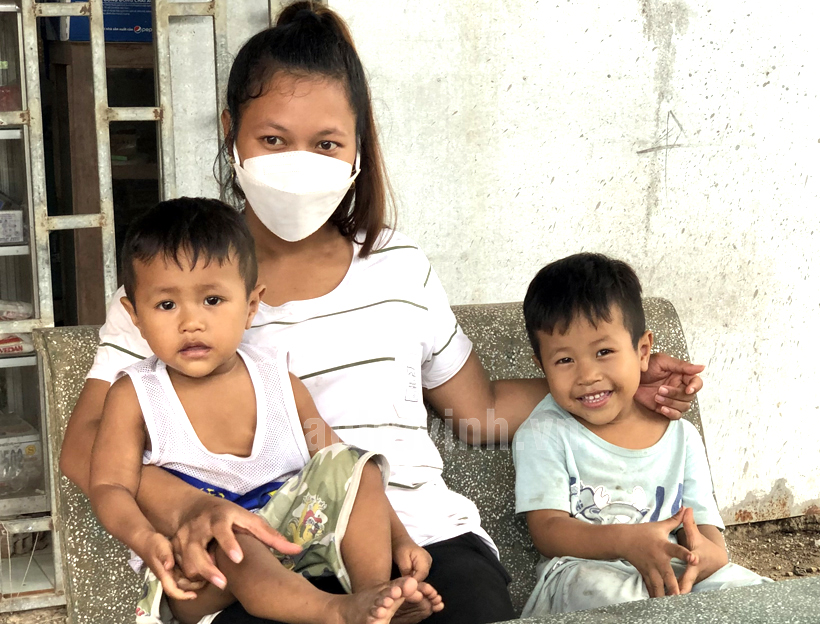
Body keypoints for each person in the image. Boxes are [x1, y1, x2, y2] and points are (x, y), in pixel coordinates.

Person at [60, 3, 704, 623]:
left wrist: (609, 380)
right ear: (232, 131)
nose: (298, 164)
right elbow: (87, 445)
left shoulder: (398, 265)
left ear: (358, 147)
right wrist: (188, 507)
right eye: (273, 140)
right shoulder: (174, 286)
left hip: (423, 540)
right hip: (257, 550)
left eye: (326, 144)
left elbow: (477, 409)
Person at [90, 197, 440, 624]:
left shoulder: (278, 381)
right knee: (232, 535)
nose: (191, 322)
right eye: (167, 305)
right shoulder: (135, 394)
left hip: (292, 543)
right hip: (201, 568)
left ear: (251, 306)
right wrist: (145, 539)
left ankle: (373, 594)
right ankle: (337, 613)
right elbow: (109, 486)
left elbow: (348, 473)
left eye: (212, 300)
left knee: (355, 464)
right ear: (135, 315)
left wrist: (400, 538)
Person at [512, 253, 769, 616]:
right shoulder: (544, 433)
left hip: (670, 570)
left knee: (757, 593)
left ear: (643, 351)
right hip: (586, 574)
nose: (587, 376)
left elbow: (702, 526)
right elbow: (548, 530)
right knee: (606, 595)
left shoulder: (682, 437)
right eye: (565, 360)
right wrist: (625, 541)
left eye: (604, 351)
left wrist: (707, 555)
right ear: (542, 366)